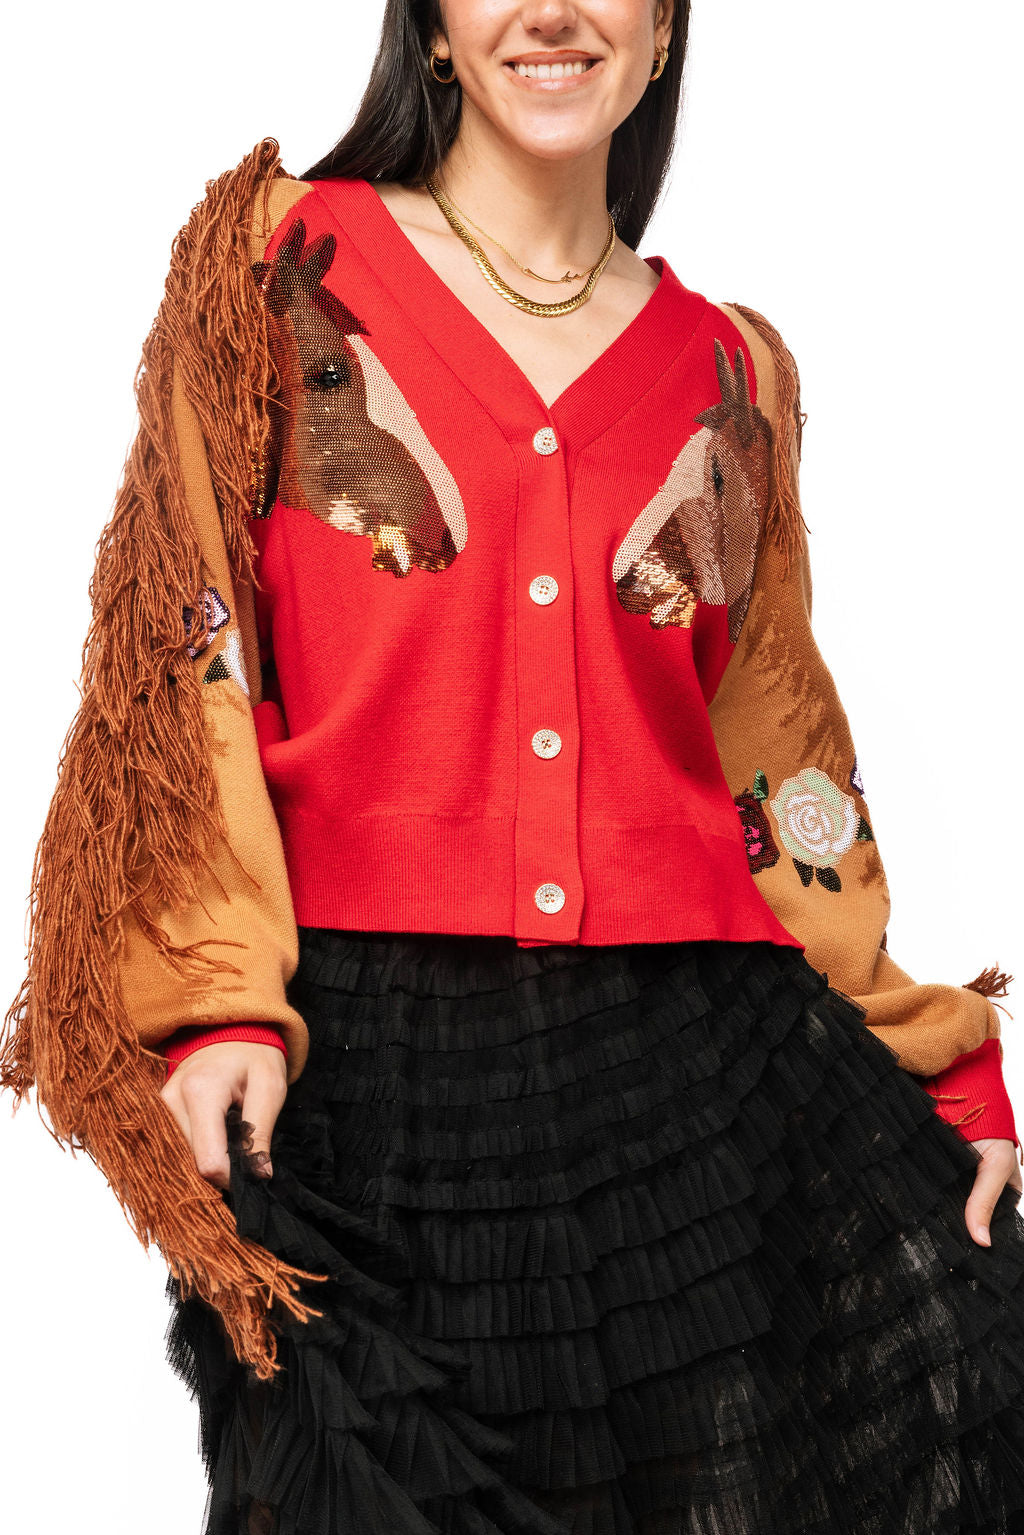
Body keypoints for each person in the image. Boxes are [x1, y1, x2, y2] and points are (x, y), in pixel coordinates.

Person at [4, 2, 1024, 1531]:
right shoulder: (277, 269)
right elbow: (182, 641)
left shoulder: (733, 368)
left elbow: (776, 751)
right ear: (430, 27)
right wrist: (216, 1001)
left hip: (701, 1091)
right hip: (368, 1084)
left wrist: (932, 1059)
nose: (551, 10)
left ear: (664, 30)